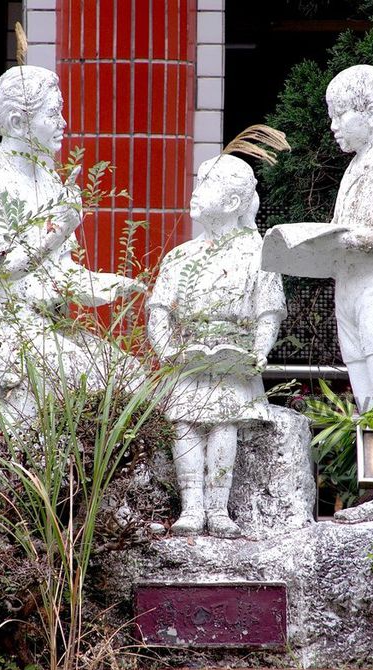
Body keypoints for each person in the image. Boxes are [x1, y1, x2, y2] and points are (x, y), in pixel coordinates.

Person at [0, 66, 141, 556]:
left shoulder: (48, 178)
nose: (64, 122)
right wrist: (61, 225)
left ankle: (99, 524)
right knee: (89, 385)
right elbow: (4, 264)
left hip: (40, 322)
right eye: (54, 112)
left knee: (132, 382)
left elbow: (55, 273)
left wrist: (101, 286)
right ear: (21, 122)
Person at [264, 64, 373, 418]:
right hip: (350, 286)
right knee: (367, 409)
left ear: (370, 114)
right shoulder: (354, 168)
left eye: (340, 114)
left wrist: (333, 240)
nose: (333, 125)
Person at [147, 154, 286, 538]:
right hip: (187, 360)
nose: (193, 192)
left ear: (231, 203)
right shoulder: (180, 257)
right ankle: (191, 506)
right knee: (184, 424)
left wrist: (259, 352)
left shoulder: (258, 255)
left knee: (224, 424)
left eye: (204, 184)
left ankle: (218, 508)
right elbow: (159, 312)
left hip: (233, 359)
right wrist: (166, 350)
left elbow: (268, 312)